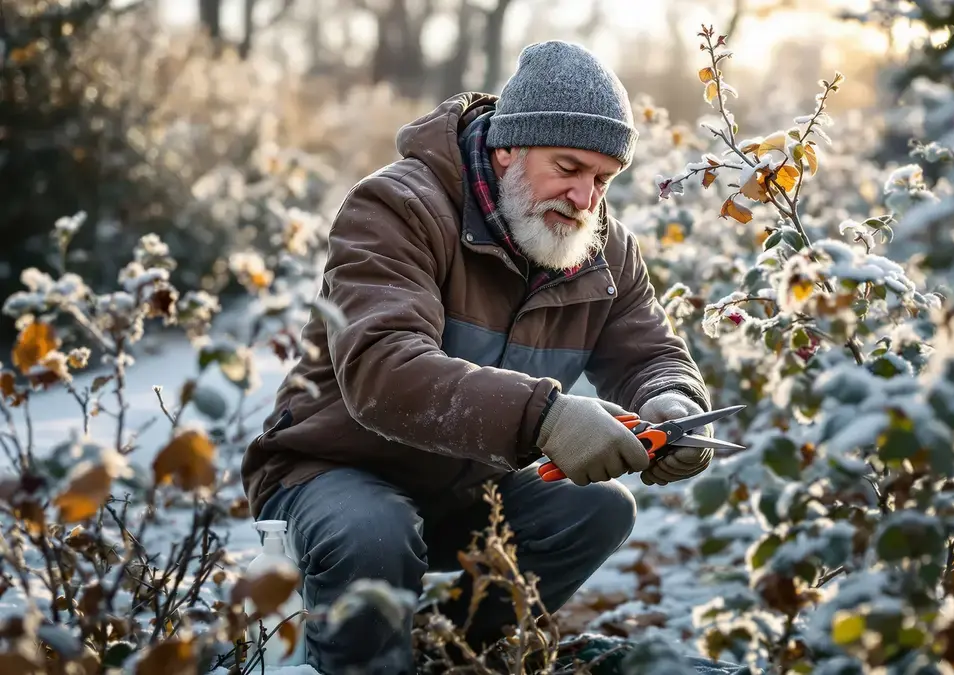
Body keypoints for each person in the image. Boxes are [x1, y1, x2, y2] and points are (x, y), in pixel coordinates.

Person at [240, 40, 713, 674]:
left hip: (470, 481)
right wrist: (545, 418)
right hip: (332, 472)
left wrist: (672, 402)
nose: (585, 198)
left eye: (603, 179)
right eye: (568, 167)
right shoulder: (398, 208)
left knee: (598, 510)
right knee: (374, 532)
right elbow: (384, 369)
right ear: (507, 145)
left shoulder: (601, 247)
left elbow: (650, 352)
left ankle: (451, 655)